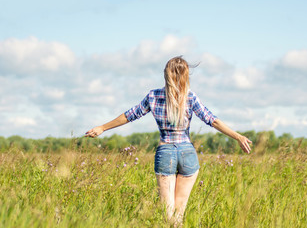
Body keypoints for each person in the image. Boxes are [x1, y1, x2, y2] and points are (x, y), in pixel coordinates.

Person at [85, 56, 252, 225]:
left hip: (165, 153)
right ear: (186, 76)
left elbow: (129, 115)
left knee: (167, 212)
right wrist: (238, 136)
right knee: (179, 211)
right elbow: (212, 120)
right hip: (187, 153)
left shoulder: (153, 96)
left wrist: (102, 128)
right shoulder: (190, 97)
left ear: (166, 75)